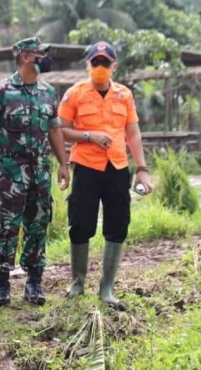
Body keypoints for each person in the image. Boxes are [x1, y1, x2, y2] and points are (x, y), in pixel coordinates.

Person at [58, 41, 152, 311]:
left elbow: (133, 132)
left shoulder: (124, 95)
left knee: (118, 223)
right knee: (81, 223)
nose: (100, 68)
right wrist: (88, 136)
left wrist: (142, 170)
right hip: (86, 167)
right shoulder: (74, 94)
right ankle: (77, 283)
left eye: (105, 63)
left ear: (114, 66)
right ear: (87, 65)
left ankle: (107, 288)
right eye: (95, 63)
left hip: (117, 167)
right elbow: (60, 130)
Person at [0, 37, 69, 307]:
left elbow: (54, 129)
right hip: (9, 172)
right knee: (6, 228)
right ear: (26, 57)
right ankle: (2, 284)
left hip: (40, 172)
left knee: (38, 226)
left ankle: (34, 282)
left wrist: (64, 164)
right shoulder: (0, 91)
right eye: (40, 54)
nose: (45, 58)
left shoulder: (48, 92)